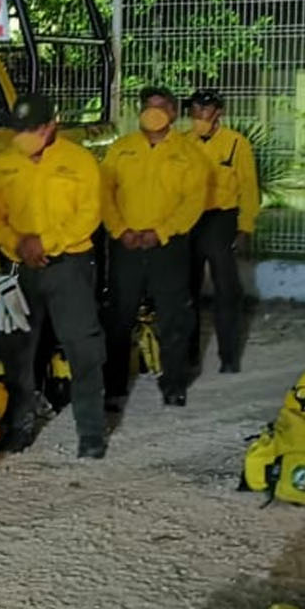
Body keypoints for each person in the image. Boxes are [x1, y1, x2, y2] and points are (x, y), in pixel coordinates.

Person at [0, 93, 108, 459]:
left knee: (82, 347)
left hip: (69, 266)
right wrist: (17, 243)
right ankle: (18, 426)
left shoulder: (80, 161)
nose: (24, 137)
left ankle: (91, 432)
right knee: (16, 348)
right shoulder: (3, 164)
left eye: (32, 129)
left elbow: (89, 214)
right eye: (19, 130)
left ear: (51, 125)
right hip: (17, 268)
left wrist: (45, 242)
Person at [100, 86, 208, 406]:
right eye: (148, 106)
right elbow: (104, 193)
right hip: (126, 246)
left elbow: (193, 202)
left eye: (161, 106)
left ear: (173, 113)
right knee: (119, 316)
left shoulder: (189, 154)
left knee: (174, 317)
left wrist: (160, 232)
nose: (153, 112)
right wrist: (120, 230)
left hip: (168, 247)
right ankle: (114, 385)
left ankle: (174, 384)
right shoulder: (121, 149)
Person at [183, 88, 262, 373]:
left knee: (226, 289)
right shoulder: (182, 143)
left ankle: (228, 356)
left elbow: (248, 188)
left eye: (204, 110)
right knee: (185, 289)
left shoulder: (236, 144)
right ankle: (188, 355)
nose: (198, 116)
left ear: (218, 112)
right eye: (194, 110)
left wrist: (245, 227)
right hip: (187, 220)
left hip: (221, 218)